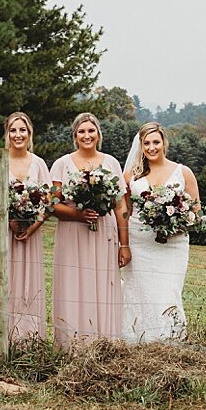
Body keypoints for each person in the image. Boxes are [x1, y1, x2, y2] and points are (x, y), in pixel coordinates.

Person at [48, 111, 127, 343]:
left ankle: (103, 341)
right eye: (81, 131)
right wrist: (78, 214)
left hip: (103, 230)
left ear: (98, 134)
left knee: (102, 283)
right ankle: (71, 341)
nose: (87, 135)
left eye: (91, 130)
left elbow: (120, 204)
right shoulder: (62, 164)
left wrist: (125, 244)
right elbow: (52, 204)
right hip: (73, 232)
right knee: (73, 283)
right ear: (75, 135)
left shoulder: (111, 162)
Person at [120, 121, 201, 343]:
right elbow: (125, 212)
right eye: (146, 143)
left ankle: (168, 342)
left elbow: (196, 209)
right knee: (140, 293)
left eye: (156, 142)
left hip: (173, 246)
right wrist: (124, 245)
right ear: (141, 146)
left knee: (168, 293)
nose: (151, 147)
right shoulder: (131, 177)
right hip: (140, 243)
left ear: (164, 143)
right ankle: (135, 341)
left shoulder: (183, 172)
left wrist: (178, 219)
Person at [0, 111, 50, 341]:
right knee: (1, 282)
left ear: (30, 134)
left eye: (22, 130)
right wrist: (7, 220)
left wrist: (31, 227)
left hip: (29, 236)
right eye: (13, 130)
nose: (18, 135)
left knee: (27, 286)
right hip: (2, 236)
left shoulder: (38, 164)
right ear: (7, 134)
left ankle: (28, 339)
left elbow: (49, 203)